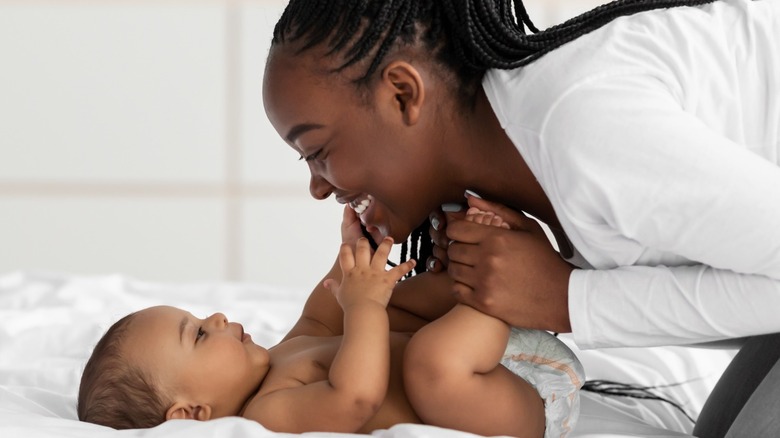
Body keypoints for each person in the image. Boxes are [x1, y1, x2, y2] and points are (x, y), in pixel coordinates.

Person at [261, 0, 780, 436]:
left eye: (317, 150)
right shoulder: (538, 157)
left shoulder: (585, 133)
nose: (317, 186)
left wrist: (567, 300)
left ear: (403, 93)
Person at [77, 206, 584, 438]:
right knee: (425, 358)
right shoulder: (267, 416)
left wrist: (353, 251)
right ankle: (495, 287)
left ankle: (467, 273)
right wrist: (363, 309)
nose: (216, 316)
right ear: (192, 414)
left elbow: (323, 314)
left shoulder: (276, 359)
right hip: (518, 400)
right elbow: (354, 398)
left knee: (392, 301)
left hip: (494, 356)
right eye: (199, 334)